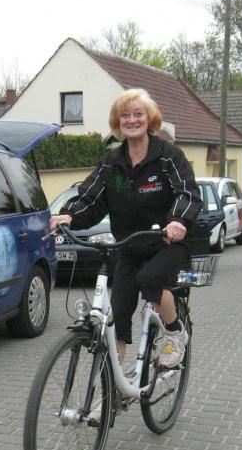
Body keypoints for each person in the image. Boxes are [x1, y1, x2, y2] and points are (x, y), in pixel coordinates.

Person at [50, 88, 202, 369]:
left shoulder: (168, 157)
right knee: (118, 314)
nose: (132, 120)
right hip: (130, 246)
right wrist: (68, 216)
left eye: (138, 114)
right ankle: (112, 385)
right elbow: (90, 199)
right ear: (117, 122)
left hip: (168, 243)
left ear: (150, 118)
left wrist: (178, 221)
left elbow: (187, 193)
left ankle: (174, 332)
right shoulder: (111, 163)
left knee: (150, 280)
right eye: (125, 115)